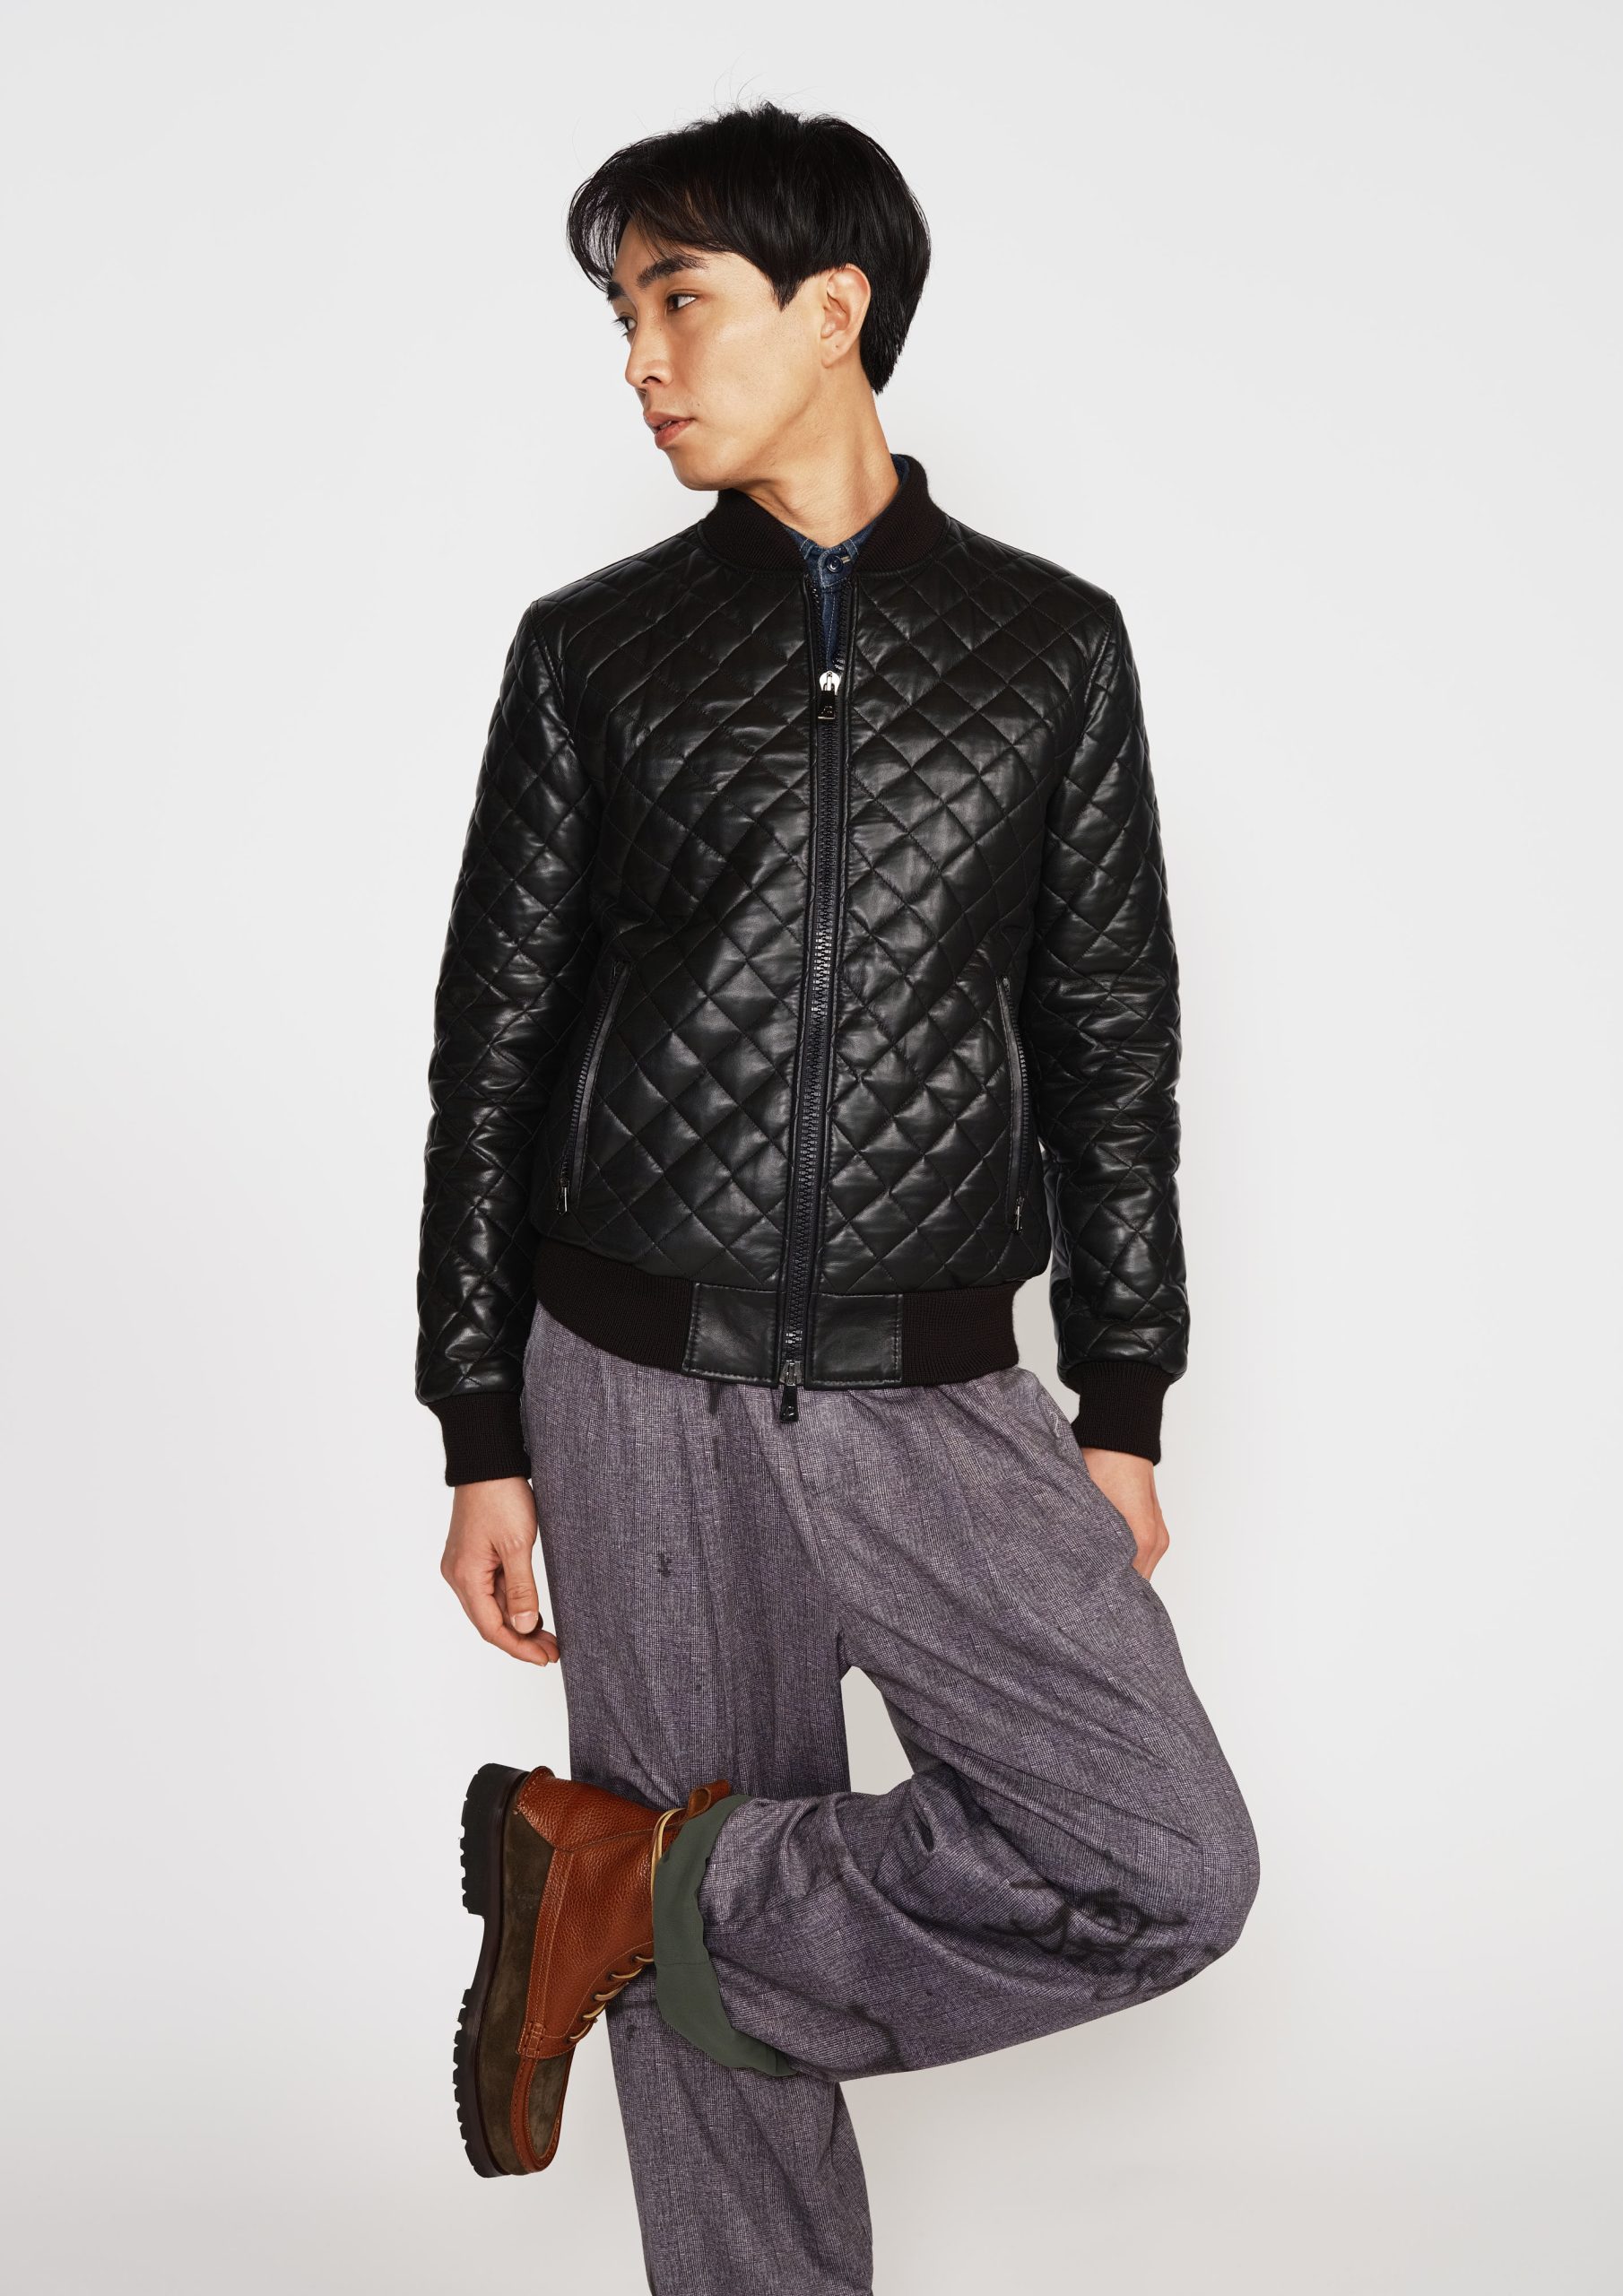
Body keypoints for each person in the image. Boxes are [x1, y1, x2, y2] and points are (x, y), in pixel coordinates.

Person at [416, 97, 1260, 2296]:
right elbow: (492, 1052)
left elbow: (1109, 1038)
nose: (641, 360)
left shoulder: (1044, 646)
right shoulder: (595, 649)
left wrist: (1123, 1397)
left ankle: (629, 1888)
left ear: (832, 308)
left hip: (928, 1380)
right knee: (714, 2044)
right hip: (628, 1366)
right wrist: (480, 1421)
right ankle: (645, 1918)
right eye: (623, 316)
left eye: (677, 302)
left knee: (1160, 1854)